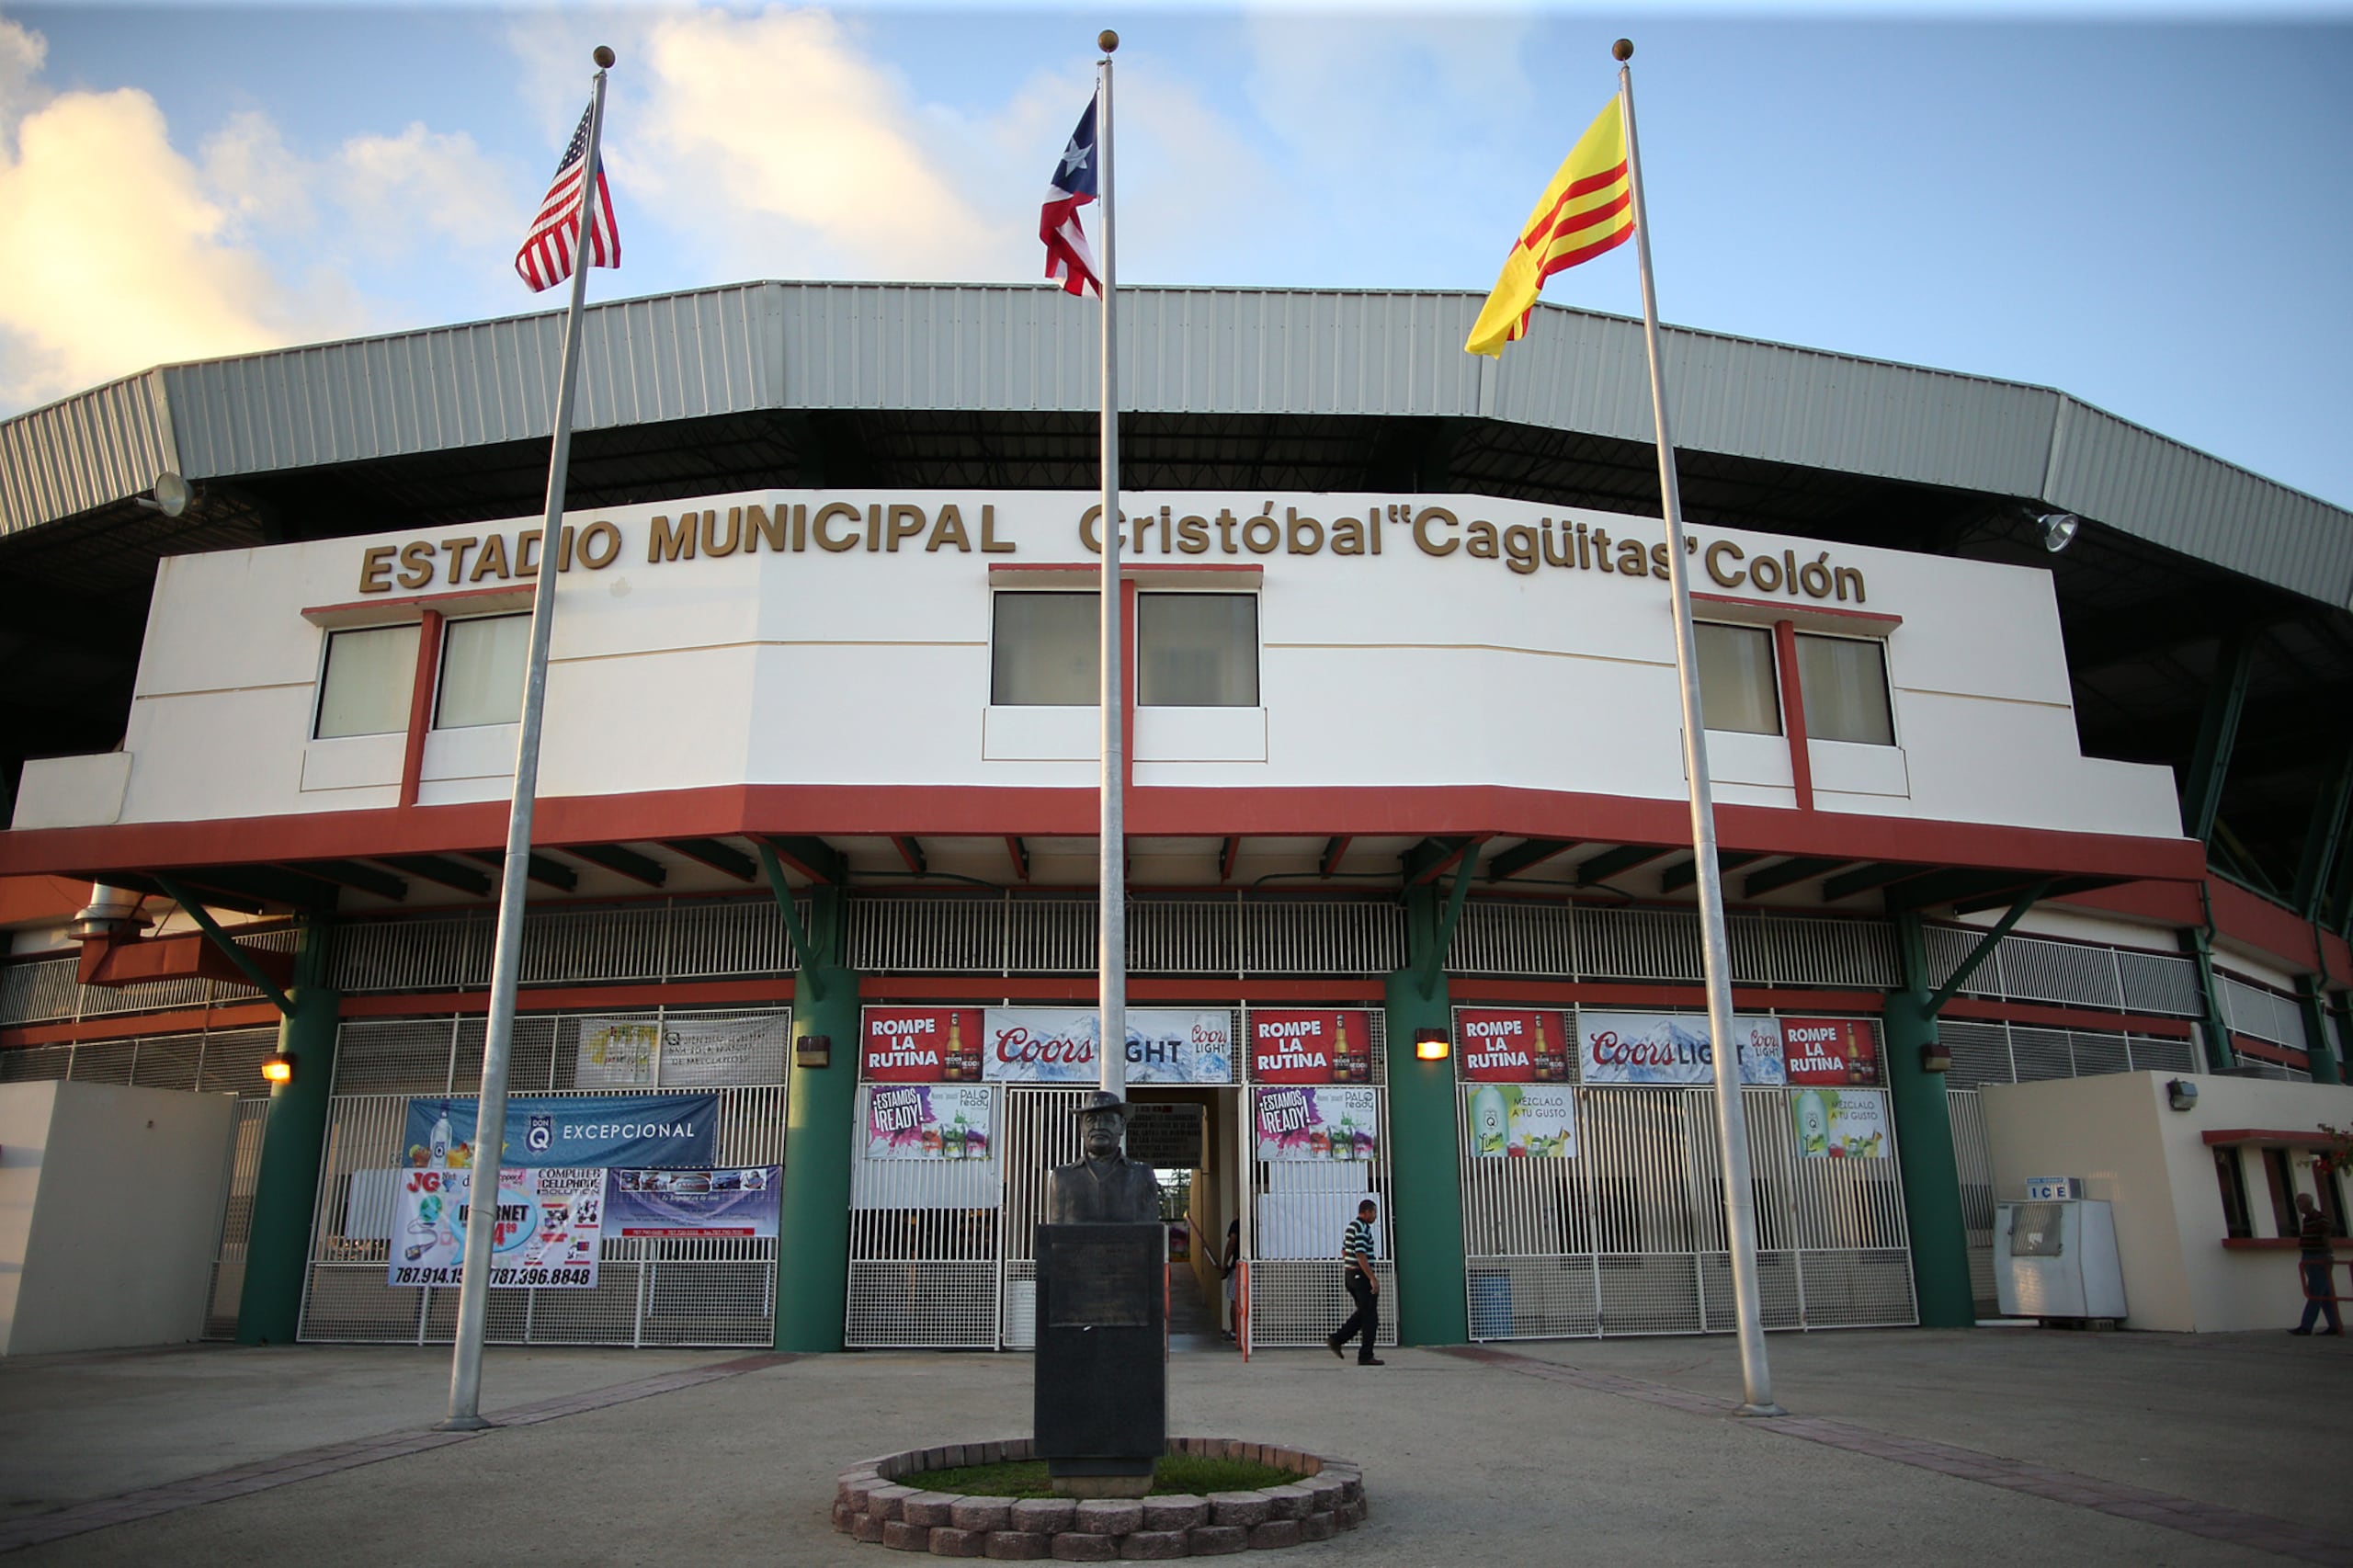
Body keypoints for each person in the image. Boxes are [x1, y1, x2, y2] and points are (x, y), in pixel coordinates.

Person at [1326, 1198, 1384, 1366]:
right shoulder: (1361, 1228)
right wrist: (1371, 1277)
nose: (1374, 1216)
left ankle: (1337, 1339)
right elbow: (1360, 1254)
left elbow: (1344, 1251)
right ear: (1366, 1212)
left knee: (1364, 1312)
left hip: (1350, 1276)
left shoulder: (1351, 1227)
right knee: (1371, 1317)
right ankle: (1365, 1355)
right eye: (1374, 1212)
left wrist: (1349, 1265)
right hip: (1360, 1276)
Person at [2289, 1191, 2344, 1336]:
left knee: (2315, 1293)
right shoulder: (2307, 1219)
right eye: (2297, 1202)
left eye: (2300, 1202)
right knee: (2325, 1293)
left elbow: (2326, 1237)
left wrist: (2329, 1255)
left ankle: (2306, 1326)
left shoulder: (2320, 1219)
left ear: (2308, 1203)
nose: (2298, 1205)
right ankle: (2334, 1325)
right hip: (2308, 1256)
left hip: (2318, 1257)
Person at [1220, 1219, 1242, 1341]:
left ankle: (1235, 1332)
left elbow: (1232, 1242)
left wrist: (1224, 1263)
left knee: (1234, 1299)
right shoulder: (1257, 1223)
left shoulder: (1236, 1224)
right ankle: (1254, 1331)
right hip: (1255, 1267)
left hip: (1238, 1266)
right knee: (1253, 1299)